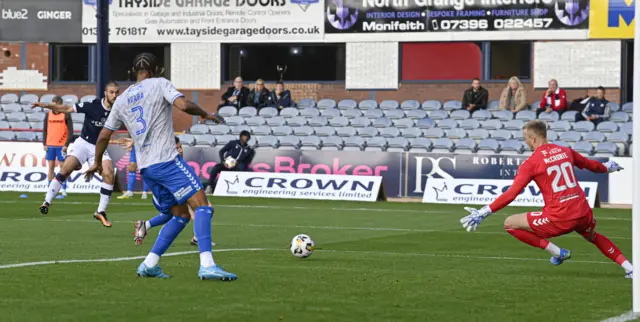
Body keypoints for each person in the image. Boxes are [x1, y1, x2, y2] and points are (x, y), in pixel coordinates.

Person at [84, 52, 235, 280]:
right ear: (158, 70)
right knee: (203, 206)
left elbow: (104, 134)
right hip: (167, 160)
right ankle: (207, 265)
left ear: (134, 72)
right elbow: (183, 104)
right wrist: (205, 113)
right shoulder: (160, 84)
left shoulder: (123, 99)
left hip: (147, 169)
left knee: (181, 214)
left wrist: (96, 161)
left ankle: (149, 264)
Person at [460, 120, 631, 278]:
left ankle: (557, 252)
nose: (525, 142)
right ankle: (630, 268)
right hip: (582, 211)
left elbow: (511, 194)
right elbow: (591, 165)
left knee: (509, 223)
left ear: (533, 139)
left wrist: (484, 212)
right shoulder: (565, 151)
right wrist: (607, 169)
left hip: (560, 218)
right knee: (593, 236)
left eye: (525, 139)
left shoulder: (531, 163)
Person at [32, 82, 120, 227]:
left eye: (117, 92)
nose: (114, 95)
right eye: (111, 92)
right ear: (105, 93)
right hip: (83, 144)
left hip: (99, 146)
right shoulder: (93, 105)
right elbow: (66, 108)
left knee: (109, 173)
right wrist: (45, 105)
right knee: (66, 169)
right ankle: (47, 201)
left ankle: (101, 211)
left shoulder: (118, 110)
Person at [133, 136, 216, 247]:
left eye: (181, 147)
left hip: (174, 193)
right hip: (162, 196)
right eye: (177, 148)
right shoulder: (166, 165)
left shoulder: (178, 163)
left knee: (178, 214)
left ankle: (146, 225)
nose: (180, 150)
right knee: (190, 212)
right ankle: (198, 240)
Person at [205, 130, 255, 195]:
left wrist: (238, 163)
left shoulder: (248, 149)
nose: (247, 138)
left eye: (248, 136)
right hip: (227, 164)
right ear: (241, 136)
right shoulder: (233, 143)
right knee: (216, 167)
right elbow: (221, 151)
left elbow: (247, 162)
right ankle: (210, 186)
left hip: (237, 167)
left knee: (242, 166)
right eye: (245, 136)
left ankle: (238, 189)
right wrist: (223, 161)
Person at [42, 95, 73, 198]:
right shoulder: (48, 114)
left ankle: (63, 189)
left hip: (61, 145)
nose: (54, 105)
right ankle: (49, 189)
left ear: (60, 104)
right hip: (50, 144)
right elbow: (45, 130)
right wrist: (44, 143)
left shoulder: (66, 114)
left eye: (56, 103)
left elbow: (70, 131)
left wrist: (66, 144)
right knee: (50, 167)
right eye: (53, 103)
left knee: (63, 168)